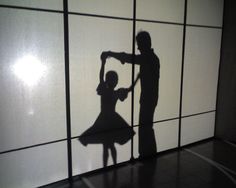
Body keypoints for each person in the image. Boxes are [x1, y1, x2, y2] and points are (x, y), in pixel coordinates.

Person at [102, 31, 160, 158]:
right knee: (147, 127)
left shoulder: (148, 58)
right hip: (150, 98)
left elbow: (129, 58)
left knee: (145, 127)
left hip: (147, 99)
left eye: (139, 44)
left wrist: (110, 54)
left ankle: (147, 155)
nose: (138, 47)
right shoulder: (152, 58)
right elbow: (129, 58)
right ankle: (148, 154)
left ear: (146, 43)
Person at [78, 54, 138, 166]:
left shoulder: (107, 91)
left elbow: (102, 78)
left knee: (108, 145)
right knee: (109, 145)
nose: (114, 81)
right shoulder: (112, 92)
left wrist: (103, 63)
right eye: (114, 79)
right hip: (110, 119)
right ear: (114, 81)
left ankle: (109, 166)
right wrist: (137, 79)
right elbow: (129, 89)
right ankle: (112, 165)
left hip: (106, 118)